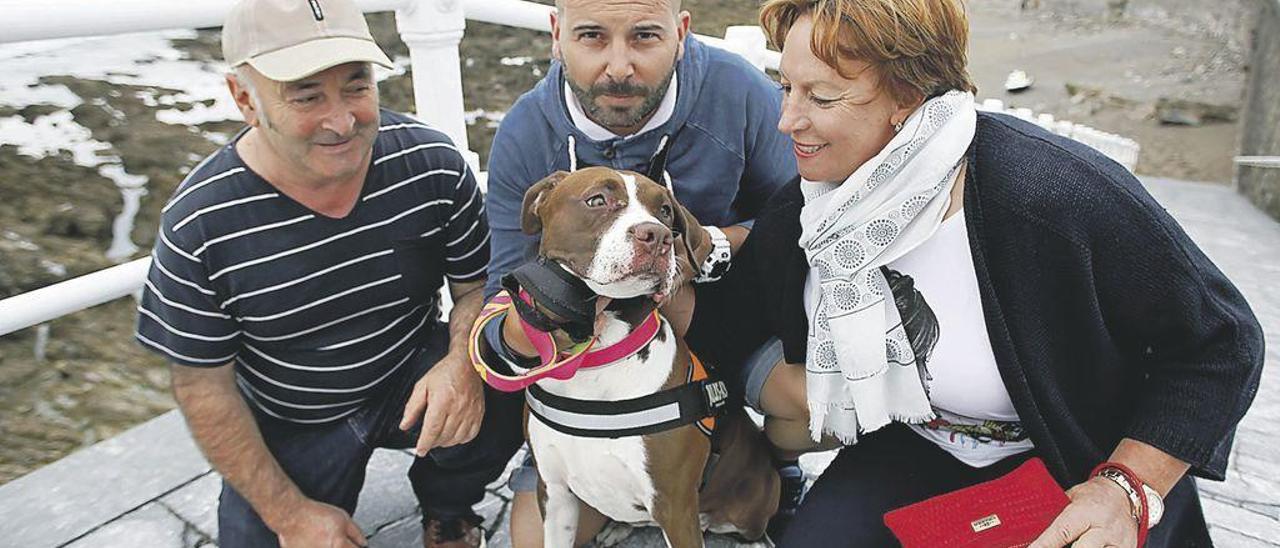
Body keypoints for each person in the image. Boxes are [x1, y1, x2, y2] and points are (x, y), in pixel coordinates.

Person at [685, 0, 1266, 546]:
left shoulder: (1051, 197)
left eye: (823, 97)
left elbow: (1222, 342)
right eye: (784, 87)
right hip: (923, 444)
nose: (787, 120)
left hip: (1077, 455)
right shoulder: (812, 208)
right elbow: (731, 314)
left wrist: (1125, 489)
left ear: (907, 95)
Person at [134, 0, 521, 546]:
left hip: (407, 369)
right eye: (307, 95)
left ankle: (449, 505)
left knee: (503, 378)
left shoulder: (431, 164)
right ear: (244, 98)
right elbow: (202, 385)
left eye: (357, 86)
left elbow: (475, 286)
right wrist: (290, 516)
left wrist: (460, 363)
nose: (342, 121)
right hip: (293, 415)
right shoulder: (200, 223)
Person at [481, 0, 799, 545]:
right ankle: (613, 475)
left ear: (681, 32)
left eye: (645, 36)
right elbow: (499, 298)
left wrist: (704, 250)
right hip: (586, 356)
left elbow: (804, 214)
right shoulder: (525, 134)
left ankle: (758, 475)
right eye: (592, 37)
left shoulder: (741, 93)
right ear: (557, 35)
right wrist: (544, 312)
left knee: (813, 406)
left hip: (724, 315)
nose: (620, 65)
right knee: (535, 537)